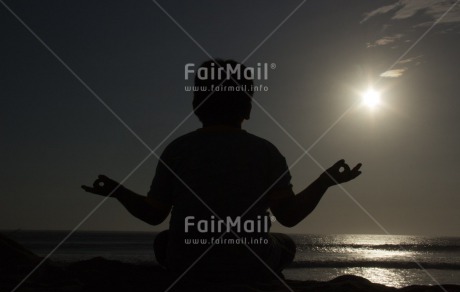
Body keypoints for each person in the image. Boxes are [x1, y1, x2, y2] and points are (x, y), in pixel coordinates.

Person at [82, 59, 362, 279]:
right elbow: (288, 216)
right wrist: (324, 182)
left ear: (196, 106)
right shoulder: (266, 152)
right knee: (285, 243)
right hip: (250, 264)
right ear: (247, 109)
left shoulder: (177, 150)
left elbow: (154, 215)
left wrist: (119, 192)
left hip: (186, 265)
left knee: (163, 241)